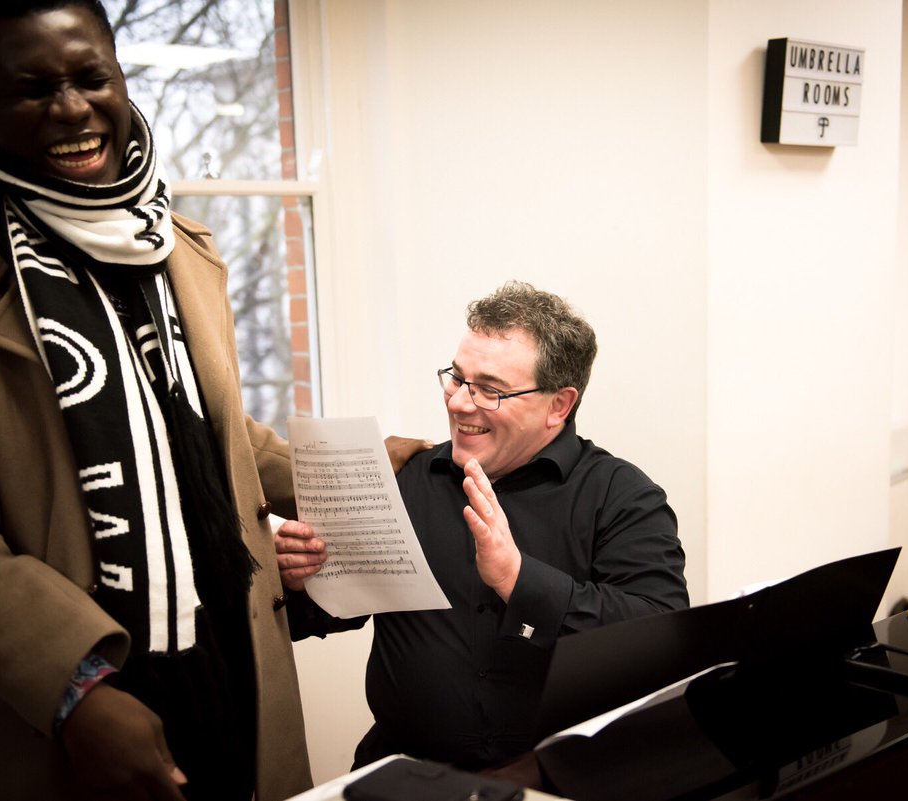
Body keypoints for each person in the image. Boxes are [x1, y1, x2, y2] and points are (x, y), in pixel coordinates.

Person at [0, 2, 424, 798]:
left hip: (232, 664)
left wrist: (361, 463)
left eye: (90, 77)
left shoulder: (184, 253)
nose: (71, 109)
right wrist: (77, 692)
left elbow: (210, 437)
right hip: (76, 701)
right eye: (32, 89)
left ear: (120, 79)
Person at [277, 281, 689, 771]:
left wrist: (518, 579)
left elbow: (659, 639)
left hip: (560, 783)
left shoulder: (623, 496)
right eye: (456, 378)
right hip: (404, 776)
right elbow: (327, 613)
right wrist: (301, 580)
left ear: (559, 405)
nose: (458, 403)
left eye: (489, 390)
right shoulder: (407, 477)